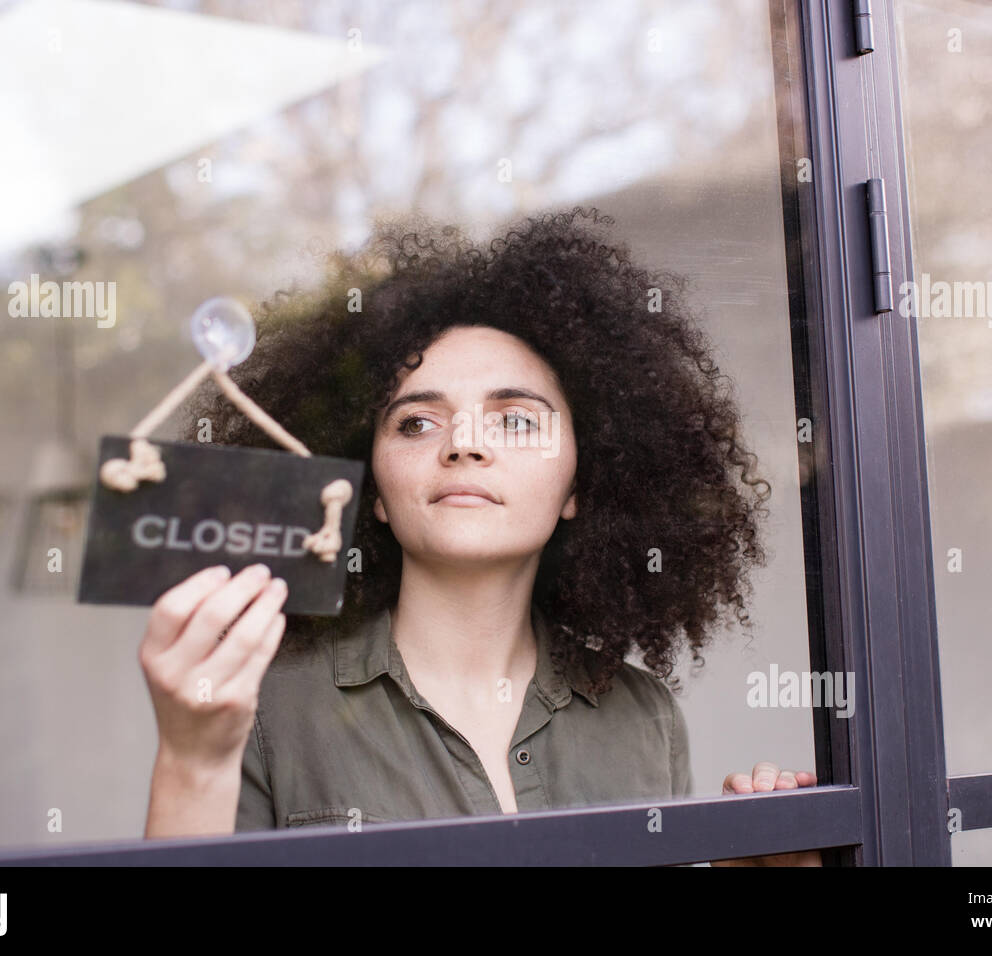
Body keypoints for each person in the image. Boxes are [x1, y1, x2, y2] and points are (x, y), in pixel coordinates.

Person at [138, 206, 819, 864]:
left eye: (516, 420)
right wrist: (193, 761)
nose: (464, 445)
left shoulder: (645, 719)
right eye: (416, 423)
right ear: (371, 491)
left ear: (581, 486)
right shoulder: (263, 703)